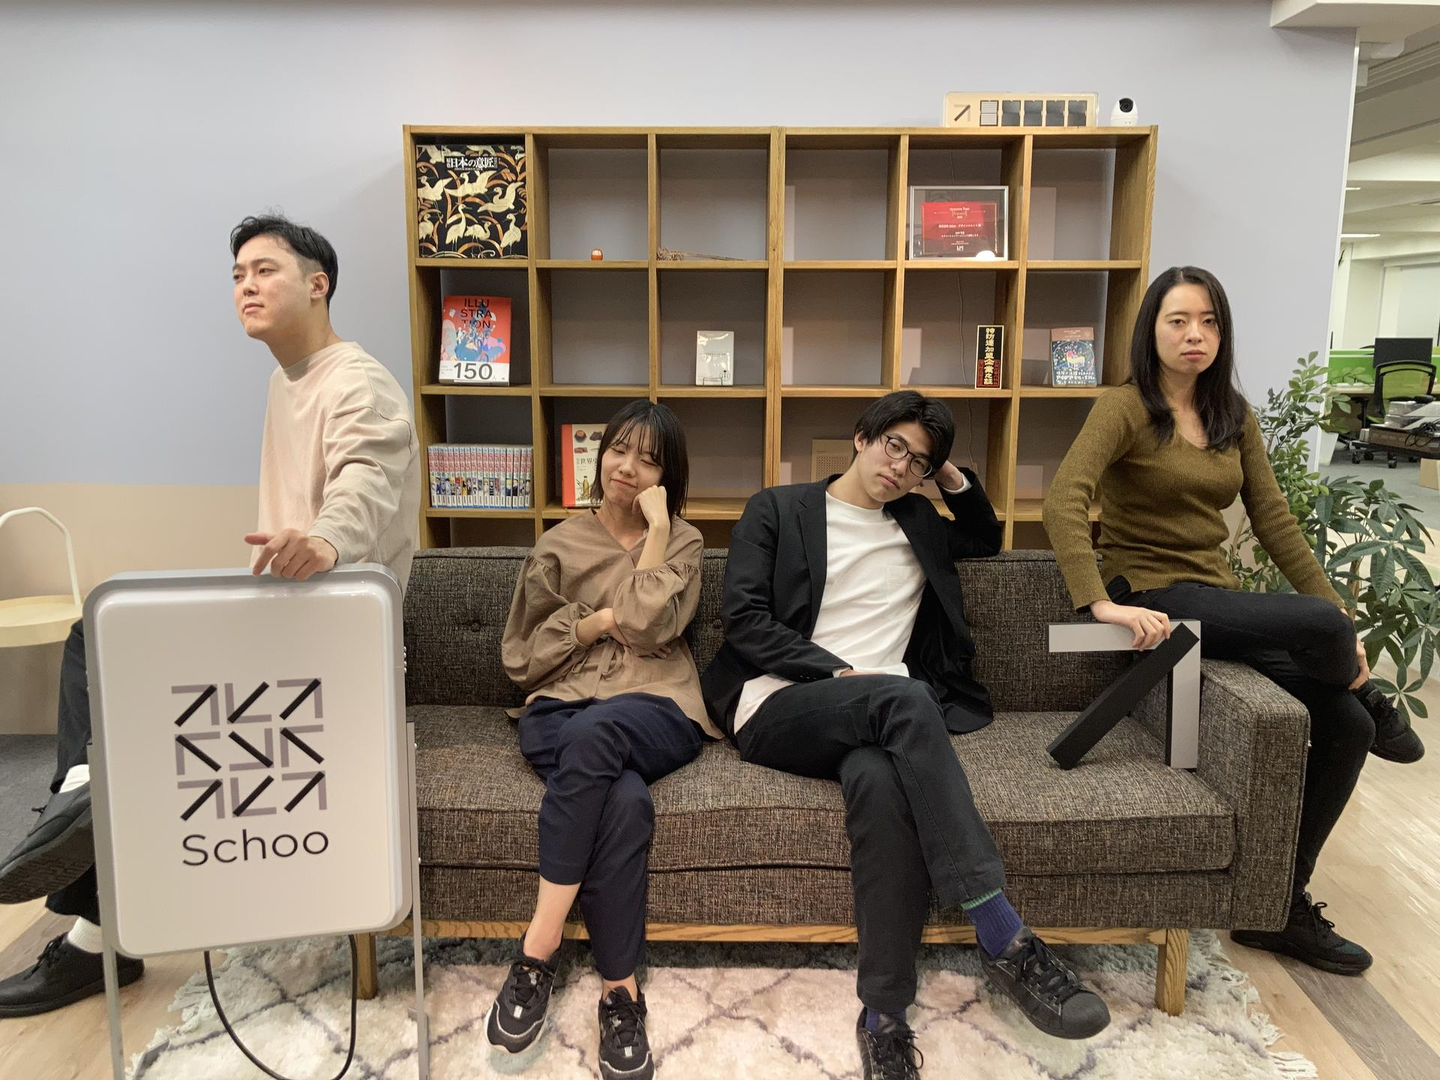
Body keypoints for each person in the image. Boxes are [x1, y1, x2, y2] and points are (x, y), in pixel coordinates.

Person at [0, 213, 421, 1017]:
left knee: (103, 642)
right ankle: (87, 823)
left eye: (264, 270)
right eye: (236, 276)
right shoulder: (285, 382)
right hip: (294, 621)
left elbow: (366, 479)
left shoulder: (357, 382)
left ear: (318, 284)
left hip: (339, 642)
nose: (245, 288)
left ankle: (84, 819)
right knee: (105, 634)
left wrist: (324, 541)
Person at [701, 391, 1111, 1080]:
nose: (900, 466)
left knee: (880, 783)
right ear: (861, 437)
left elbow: (985, 535)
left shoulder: (919, 520)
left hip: (885, 722)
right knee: (904, 696)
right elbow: (744, 620)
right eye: (894, 445)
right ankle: (1002, 934)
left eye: (917, 462)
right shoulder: (777, 508)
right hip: (781, 703)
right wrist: (837, 671)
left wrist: (943, 467)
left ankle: (884, 1015)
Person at [1043, 265, 1424, 978]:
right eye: (1178, 320)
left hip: (1215, 596)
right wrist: (1099, 601)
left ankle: (1275, 910)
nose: (1195, 334)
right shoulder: (1123, 407)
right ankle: (1368, 689)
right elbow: (1064, 498)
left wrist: (1335, 608)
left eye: (1209, 321)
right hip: (1155, 596)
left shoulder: (1232, 415)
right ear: (1151, 330)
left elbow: (1273, 519)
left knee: (1348, 726)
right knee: (1329, 635)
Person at [490, 400, 717, 1080]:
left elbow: (646, 624)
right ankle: (621, 992)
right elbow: (521, 658)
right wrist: (592, 624)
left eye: (649, 460)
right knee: (624, 800)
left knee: (600, 730)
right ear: (601, 454)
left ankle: (538, 950)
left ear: (667, 477)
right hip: (561, 705)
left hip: (658, 706)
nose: (628, 467)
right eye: (619, 449)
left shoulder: (683, 543)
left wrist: (657, 530)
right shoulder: (558, 544)